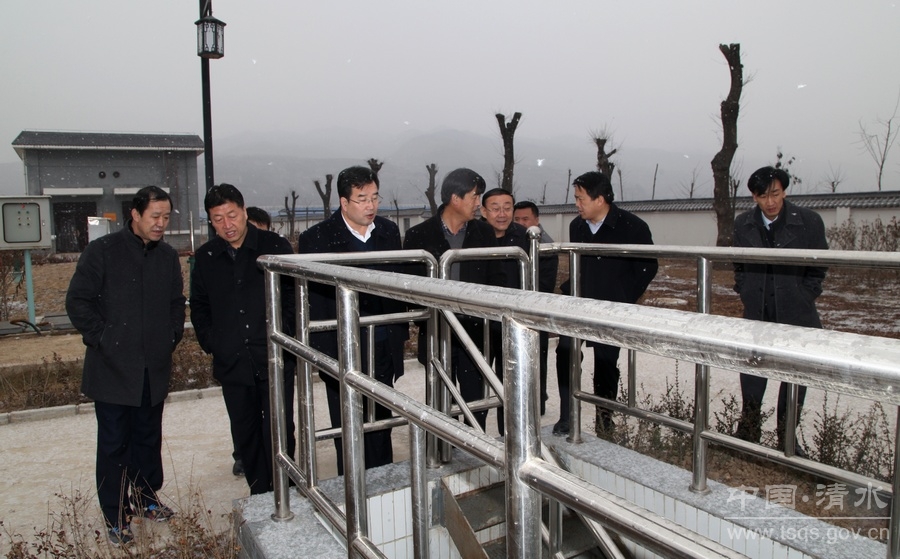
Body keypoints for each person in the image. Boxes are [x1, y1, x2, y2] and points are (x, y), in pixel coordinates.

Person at [65, 185, 185, 545]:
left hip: (153, 368)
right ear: (135, 214)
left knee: (148, 438)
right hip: (112, 370)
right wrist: (105, 339)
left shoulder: (167, 257)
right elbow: (78, 302)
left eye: (166, 217)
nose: (161, 223)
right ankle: (116, 515)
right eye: (155, 216)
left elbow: (176, 303)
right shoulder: (102, 251)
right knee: (114, 444)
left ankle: (147, 498)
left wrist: (170, 335)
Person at [296, 166, 407, 474]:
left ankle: (383, 479)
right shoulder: (316, 239)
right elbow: (315, 300)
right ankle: (354, 484)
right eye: (362, 199)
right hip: (341, 346)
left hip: (381, 341)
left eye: (375, 197)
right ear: (344, 202)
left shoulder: (388, 232)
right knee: (347, 421)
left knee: (381, 418)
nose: (371, 205)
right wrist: (323, 348)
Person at [190, 183, 296, 495]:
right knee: (245, 431)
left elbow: (293, 295)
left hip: (274, 357)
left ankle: (286, 492)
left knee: (279, 429)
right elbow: (199, 305)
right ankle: (259, 494)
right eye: (218, 219)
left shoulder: (274, 247)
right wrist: (213, 341)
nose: (227, 224)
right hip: (232, 360)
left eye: (232, 215)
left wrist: (286, 334)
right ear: (211, 221)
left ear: (244, 212)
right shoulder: (207, 257)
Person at [553, 171, 658, 437]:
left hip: (611, 308)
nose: (577, 204)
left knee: (606, 363)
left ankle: (604, 421)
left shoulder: (632, 227)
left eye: (581, 198)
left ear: (600, 199)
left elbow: (648, 266)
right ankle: (567, 416)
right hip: (579, 304)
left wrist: (623, 296)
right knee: (565, 353)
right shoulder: (577, 226)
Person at [733, 166, 827, 458]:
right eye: (763, 196)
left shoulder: (808, 221)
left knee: (795, 375)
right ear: (754, 197)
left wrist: (804, 294)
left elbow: (819, 265)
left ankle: (787, 437)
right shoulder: (743, 224)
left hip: (797, 312)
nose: (770, 201)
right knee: (752, 371)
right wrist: (746, 290)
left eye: (775, 193)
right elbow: (738, 265)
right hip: (757, 310)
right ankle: (749, 429)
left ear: (784, 191)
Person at [403, 168, 500, 430]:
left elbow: (495, 280)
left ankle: (475, 444)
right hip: (437, 331)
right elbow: (409, 288)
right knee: (441, 400)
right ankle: (444, 445)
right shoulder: (419, 236)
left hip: (475, 331)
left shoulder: (484, 234)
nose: (478, 203)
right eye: (474, 196)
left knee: (476, 400)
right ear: (455, 199)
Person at [481, 190, 558, 431]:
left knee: (514, 383)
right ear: (483, 211)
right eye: (495, 208)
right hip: (481, 322)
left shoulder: (526, 240)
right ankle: (476, 435)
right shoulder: (475, 237)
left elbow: (542, 282)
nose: (502, 214)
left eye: (507, 208)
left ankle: (511, 436)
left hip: (516, 324)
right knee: (479, 382)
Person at [227, 205, 271, 478]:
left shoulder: (272, 254)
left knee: (274, 415)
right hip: (237, 350)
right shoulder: (223, 257)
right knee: (243, 414)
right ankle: (243, 456)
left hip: (267, 347)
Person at [512, 200, 559, 414]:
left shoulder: (545, 246)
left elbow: (545, 285)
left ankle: (537, 402)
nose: (521, 223)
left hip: (535, 310)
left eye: (526, 219)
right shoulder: (516, 240)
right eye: (517, 219)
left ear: (537, 220)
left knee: (536, 358)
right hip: (517, 307)